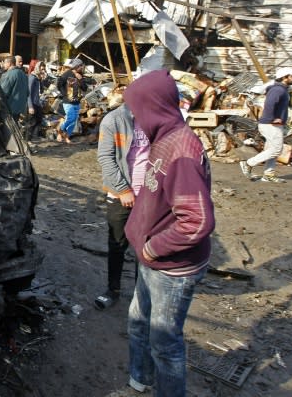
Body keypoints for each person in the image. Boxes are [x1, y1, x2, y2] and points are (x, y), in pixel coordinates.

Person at [121, 69, 215, 397]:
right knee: (138, 321)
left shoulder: (183, 152)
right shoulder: (164, 137)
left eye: (137, 111)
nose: (134, 119)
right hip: (152, 258)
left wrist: (153, 248)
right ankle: (140, 378)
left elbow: (197, 221)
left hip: (171, 267)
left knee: (165, 343)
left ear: (153, 107)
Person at [94, 92, 149, 310]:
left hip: (149, 196)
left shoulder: (155, 120)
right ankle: (113, 289)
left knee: (144, 248)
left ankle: (141, 293)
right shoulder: (114, 120)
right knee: (117, 244)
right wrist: (123, 190)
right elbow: (105, 158)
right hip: (120, 195)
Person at [239, 67, 292, 183]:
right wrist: (273, 118)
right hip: (270, 124)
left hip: (272, 124)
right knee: (276, 149)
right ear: (285, 77)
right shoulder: (278, 90)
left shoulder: (282, 89)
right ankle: (248, 163)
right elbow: (269, 104)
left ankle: (268, 174)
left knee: (272, 149)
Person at [56, 58, 88, 143]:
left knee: (73, 121)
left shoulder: (81, 75)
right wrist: (64, 94)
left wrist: (80, 79)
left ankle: (67, 137)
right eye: (81, 66)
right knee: (71, 117)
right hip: (68, 101)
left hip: (77, 101)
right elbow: (59, 84)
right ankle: (60, 130)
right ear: (77, 66)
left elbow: (85, 88)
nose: (82, 67)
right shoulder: (67, 74)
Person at [26, 60, 43, 140]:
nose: (43, 71)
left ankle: (35, 137)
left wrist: (41, 80)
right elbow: (28, 92)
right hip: (32, 103)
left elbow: (41, 90)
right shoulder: (32, 77)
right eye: (42, 69)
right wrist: (30, 106)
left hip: (38, 103)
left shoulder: (38, 77)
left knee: (38, 120)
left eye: (44, 69)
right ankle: (27, 139)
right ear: (37, 68)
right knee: (31, 123)